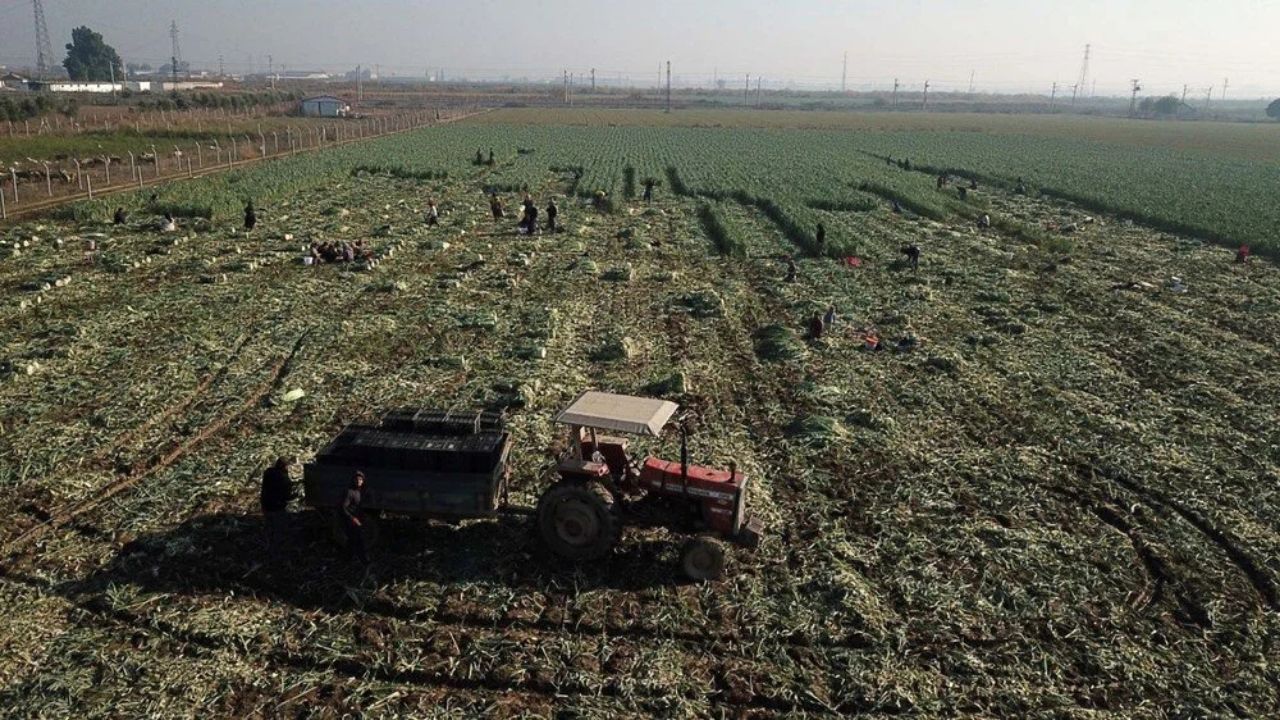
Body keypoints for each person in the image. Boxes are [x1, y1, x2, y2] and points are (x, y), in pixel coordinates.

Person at [260, 456, 294, 558]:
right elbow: (287, 496)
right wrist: (295, 495)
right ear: (285, 466)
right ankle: (277, 552)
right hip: (277, 507)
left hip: (265, 504)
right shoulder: (283, 478)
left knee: (269, 527)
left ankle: (268, 548)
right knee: (279, 529)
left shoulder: (268, 472)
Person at [343, 471, 370, 564]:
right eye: (357, 479)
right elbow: (344, 508)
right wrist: (352, 518)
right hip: (351, 521)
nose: (359, 481)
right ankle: (364, 561)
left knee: (352, 541)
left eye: (361, 479)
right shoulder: (349, 492)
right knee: (358, 540)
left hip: (357, 519)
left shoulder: (359, 492)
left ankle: (347, 559)